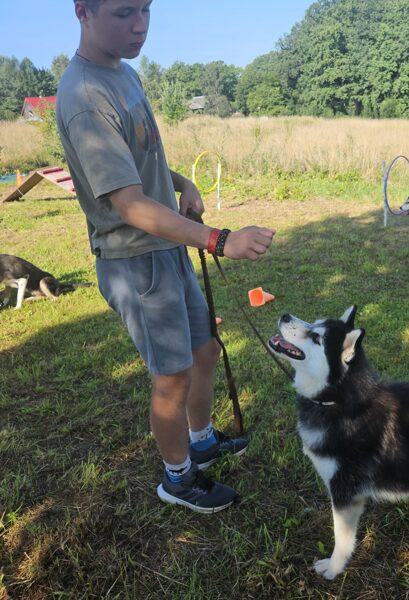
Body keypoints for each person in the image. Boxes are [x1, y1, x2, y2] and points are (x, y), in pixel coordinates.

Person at [56, 0, 275, 513]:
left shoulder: (123, 72)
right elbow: (129, 205)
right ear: (82, 11)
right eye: (123, 13)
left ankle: (201, 440)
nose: (140, 26)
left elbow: (141, 157)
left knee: (205, 350)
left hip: (168, 244)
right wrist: (218, 239)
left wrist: (181, 182)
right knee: (172, 375)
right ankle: (177, 478)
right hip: (136, 261)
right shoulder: (85, 95)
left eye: (146, 10)